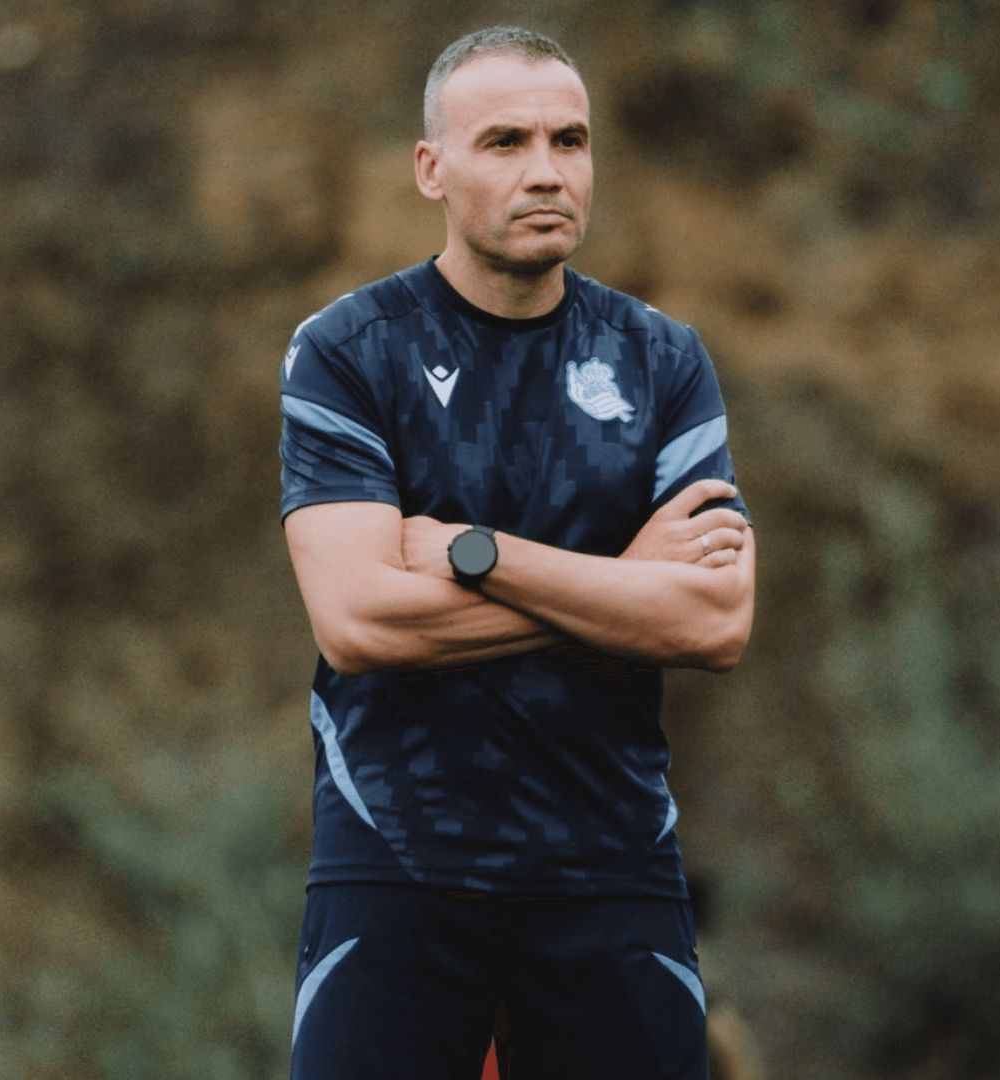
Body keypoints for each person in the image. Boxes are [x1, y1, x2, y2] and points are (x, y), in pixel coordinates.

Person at [278, 25, 756, 1080]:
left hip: (613, 863)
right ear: (431, 169)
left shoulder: (662, 360)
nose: (546, 171)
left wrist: (480, 558)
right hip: (399, 860)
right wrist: (624, 583)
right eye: (504, 142)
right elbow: (358, 622)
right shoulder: (350, 353)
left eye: (570, 141)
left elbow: (714, 621)